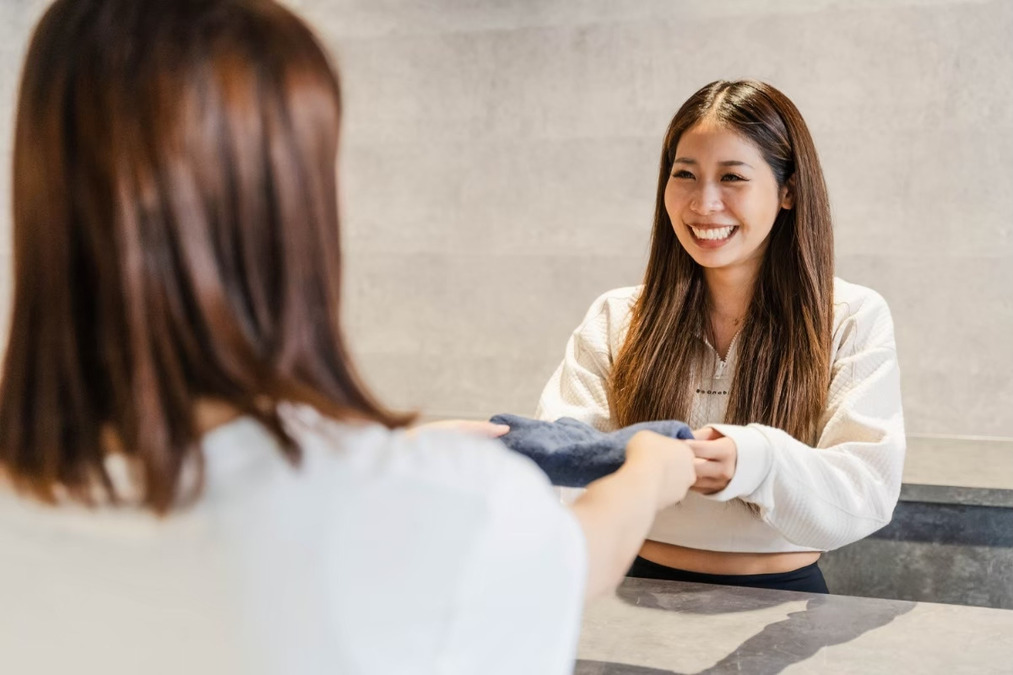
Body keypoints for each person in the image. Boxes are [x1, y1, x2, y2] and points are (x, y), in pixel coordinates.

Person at [0, 2, 697, 673]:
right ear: (289, 205)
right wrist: (647, 471)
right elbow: (573, 554)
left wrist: (395, 454)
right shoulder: (437, 511)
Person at [537, 80, 905, 594]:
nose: (704, 203)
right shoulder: (617, 316)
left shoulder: (849, 316)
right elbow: (563, 469)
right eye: (684, 174)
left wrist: (753, 460)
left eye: (732, 176)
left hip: (785, 600)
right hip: (635, 594)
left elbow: (867, 492)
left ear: (789, 191)